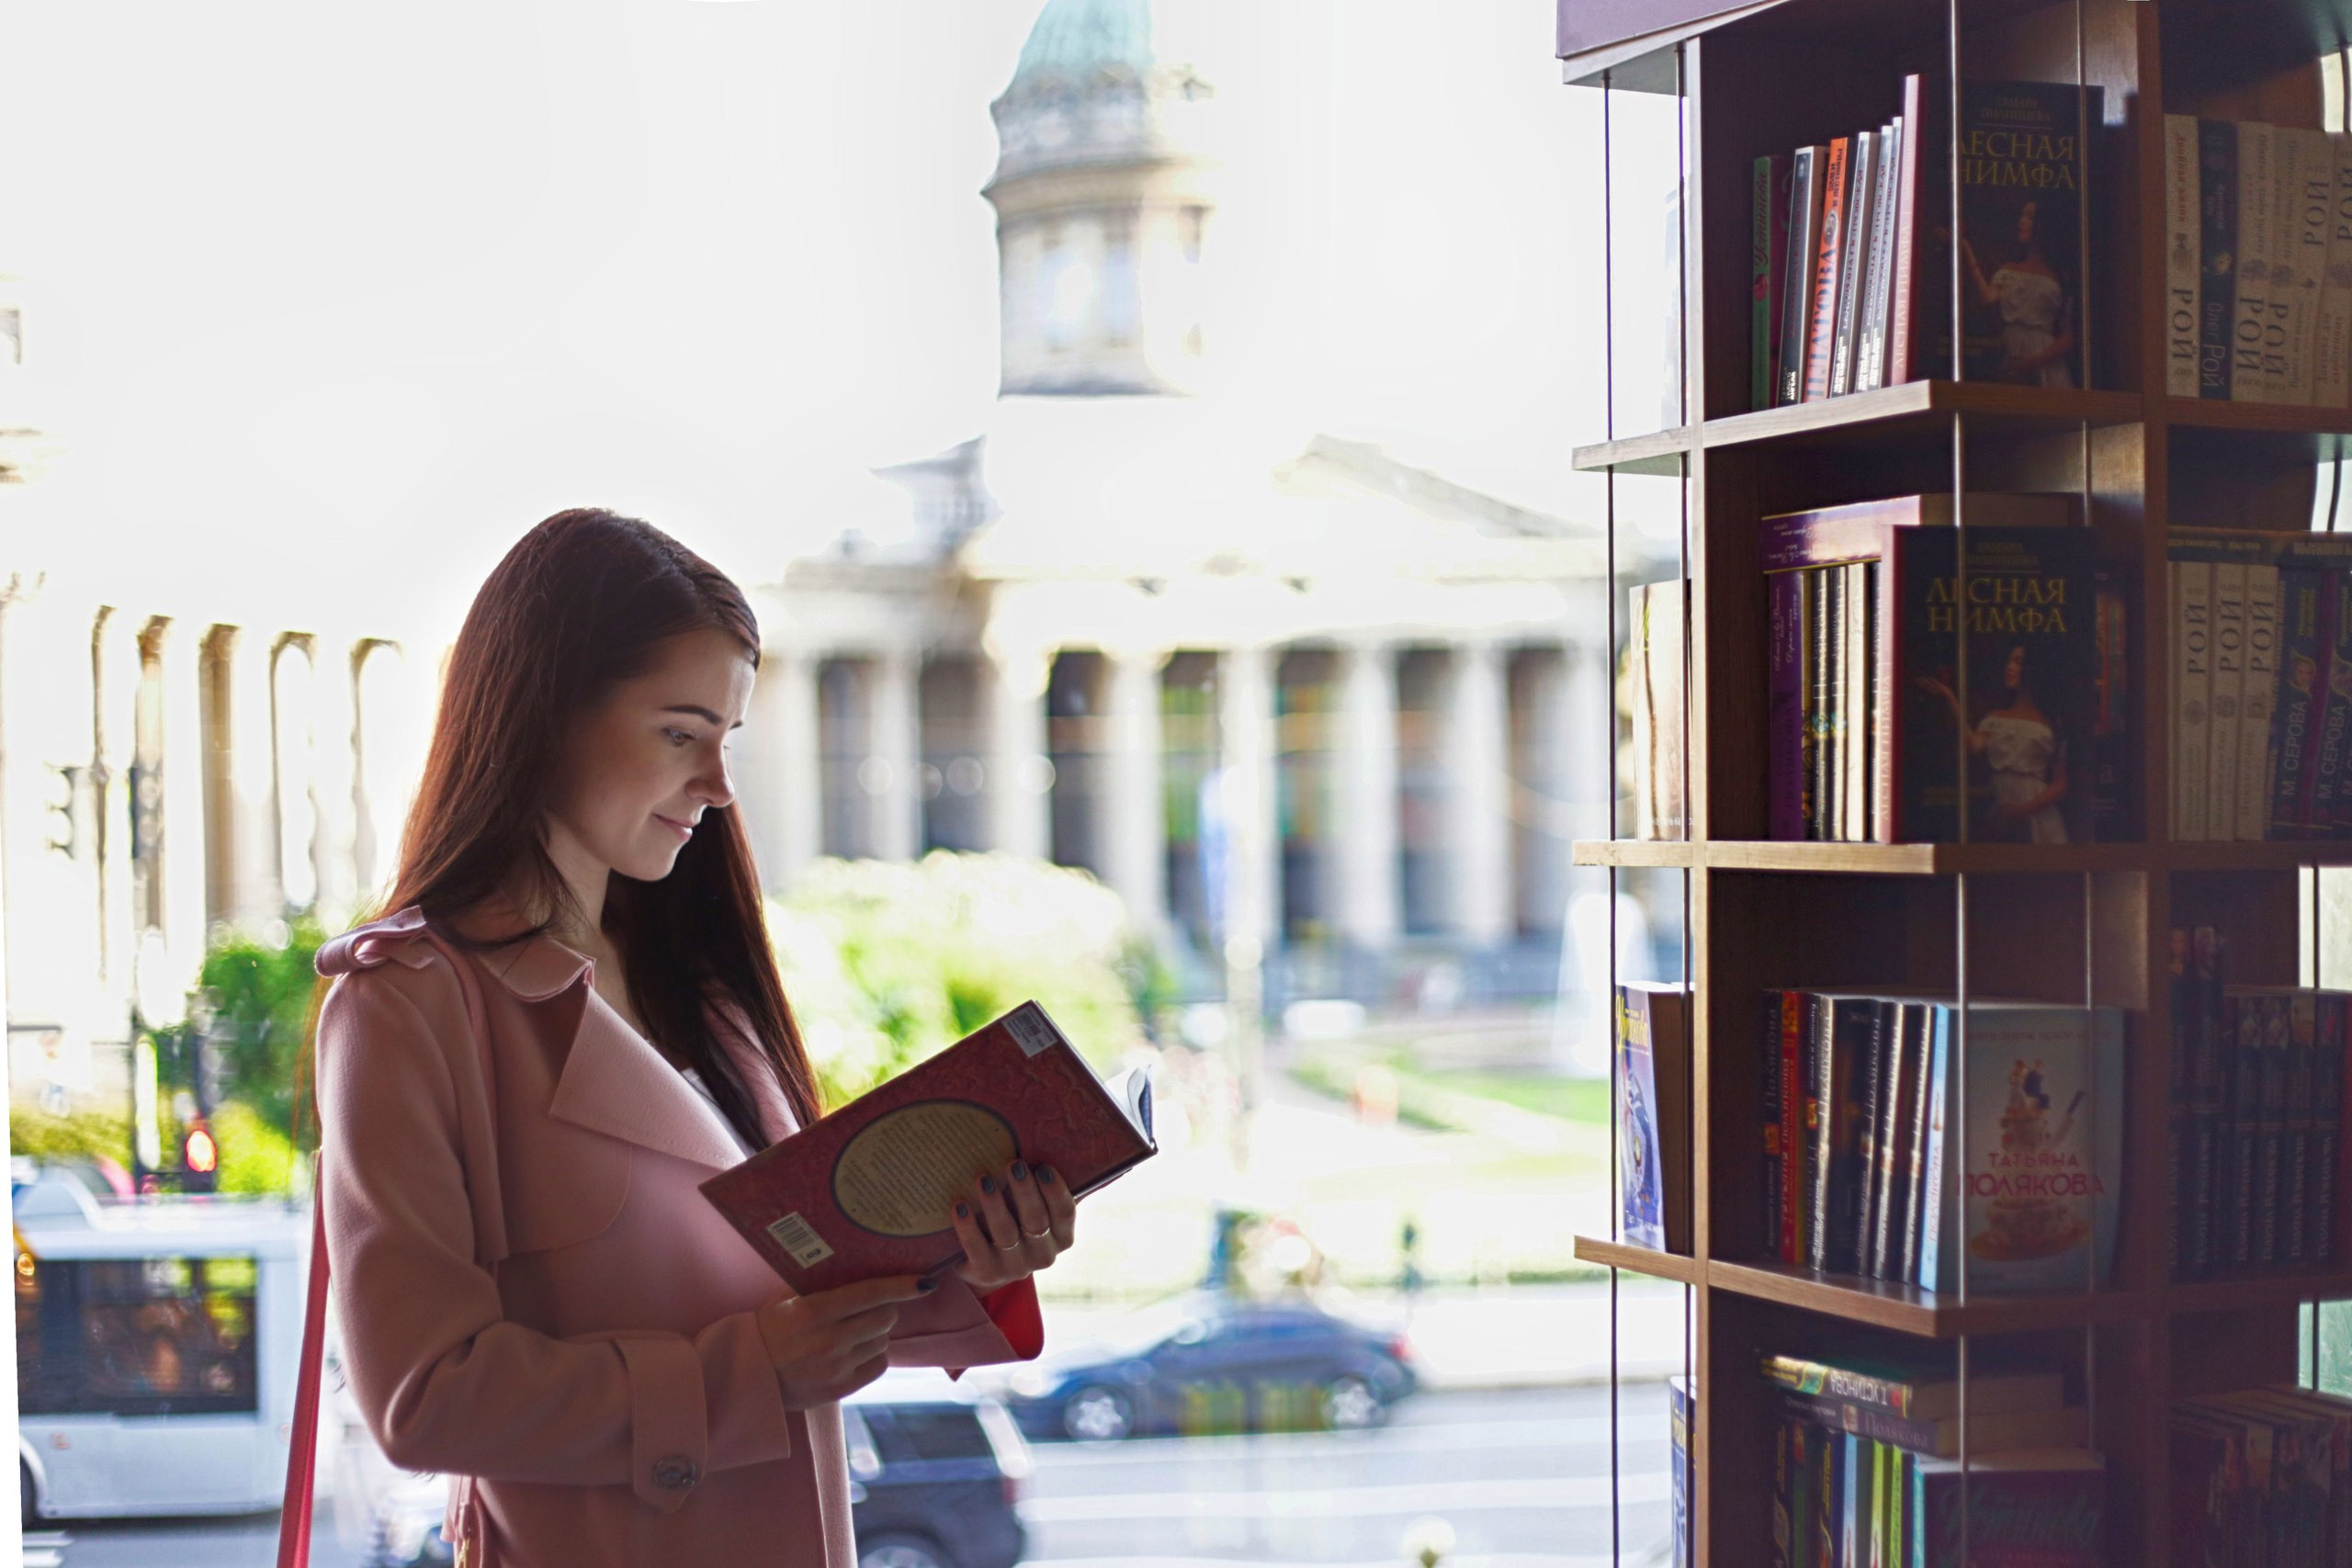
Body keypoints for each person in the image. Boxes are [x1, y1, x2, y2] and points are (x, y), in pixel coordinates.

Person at [311, 509, 1074, 1567]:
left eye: (726, 741)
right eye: (679, 733)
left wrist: (974, 1257)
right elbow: (423, 1399)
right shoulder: (407, 1004)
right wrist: (751, 1374)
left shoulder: (702, 987)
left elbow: (787, 1286)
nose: (718, 788)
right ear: (542, 714)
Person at [1914, 642, 2070, 843]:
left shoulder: (2051, 721)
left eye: (2018, 662)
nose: (2010, 667)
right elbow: (1973, 745)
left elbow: (2060, 785)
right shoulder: (1996, 717)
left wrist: (2020, 810)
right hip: (1999, 802)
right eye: (2009, 661)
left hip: (2036, 811)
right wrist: (1950, 698)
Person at [1961, 197, 2076, 388]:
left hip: (2044, 358)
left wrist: (2032, 362)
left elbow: (2069, 336)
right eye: (2021, 216)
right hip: (2010, 349)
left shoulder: (2060, 275)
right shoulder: (2010, 269)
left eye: (2030, 217)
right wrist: (1966, 249)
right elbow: (1988, 298)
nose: (2021, 222)